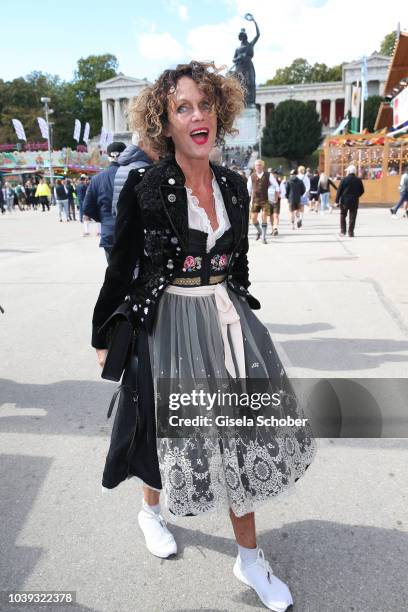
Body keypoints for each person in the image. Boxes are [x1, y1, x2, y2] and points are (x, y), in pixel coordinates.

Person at [91, 61, 315, 612]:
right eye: (183, 108)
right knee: (167, 439)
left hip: (226, 322)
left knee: (238, 440)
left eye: (205, 105)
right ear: (164, 124)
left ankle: (249, 556)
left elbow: (237, 262)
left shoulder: (236, 186)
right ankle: (150, 510)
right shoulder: (145, 188)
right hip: (169, 327)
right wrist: (103, 333)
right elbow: (120, 269)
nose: (198, 116)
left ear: (221, 113)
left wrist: (241, 304)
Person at [82, 141, 126, 259]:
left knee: (113, 272)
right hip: (129, 231)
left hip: (109, 231)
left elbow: (87, 207)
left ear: (108, 157)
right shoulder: (132, 174)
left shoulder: (97, 179)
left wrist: (103, 218)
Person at [111, 134, 156, 218]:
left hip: (124, 223)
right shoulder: (144, 168)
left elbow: (115, 208)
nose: (158, 147)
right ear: (141, 144)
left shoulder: (123, 167)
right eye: (153, 142)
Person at [247, 159, 280, 244]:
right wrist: (247, 199)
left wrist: (276, 196)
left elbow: (276, 186)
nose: (258, 166)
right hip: (255, 200)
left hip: (266, 200)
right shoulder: (252, 176)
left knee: (264, 217)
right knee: (253, 219)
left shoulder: (268, 175)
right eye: (256, 165)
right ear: (255, 167)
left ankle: (264, 238)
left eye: (259, 165)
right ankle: (260, 231)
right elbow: (248, 189)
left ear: (262, 166)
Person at [335, 164, 364, 237]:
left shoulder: (344, 179)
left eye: (347, 171)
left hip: (345, 201)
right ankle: (351, 232)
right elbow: (362, 191)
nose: (346, 172)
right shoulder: (358, 180)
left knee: (343, 215)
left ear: (349, 171)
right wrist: (357, 195)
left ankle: (343, 231)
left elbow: (339, 191)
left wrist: (336, 201)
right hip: (354, 201)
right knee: (352, 217)